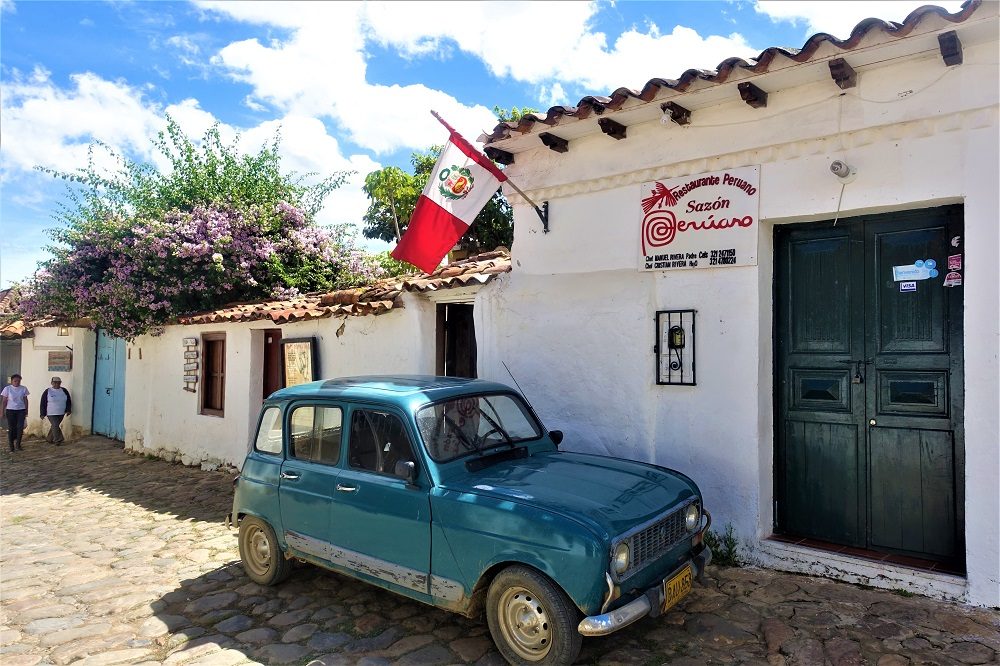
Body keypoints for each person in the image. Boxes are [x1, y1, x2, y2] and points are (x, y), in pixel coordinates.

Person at [40, 376, 72, 446]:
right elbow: (43, 402)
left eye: (58, 383)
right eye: (55, 383)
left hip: (61, 412)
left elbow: (68, 401)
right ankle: (57, 440)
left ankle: (49, 438)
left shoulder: (64, 390)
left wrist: (68, 410)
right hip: (51, 412)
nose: (57, 384)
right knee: (55, 425)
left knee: (55, 426)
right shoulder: (48, 391)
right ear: (52, 383)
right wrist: (42, 413)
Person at [1, 374, 29, 452]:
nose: (17, 382)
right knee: (11, 428)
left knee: (20, 428)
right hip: (10, 410)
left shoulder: (23, 389)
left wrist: (26, 410)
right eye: (15, 381)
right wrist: (2, 412)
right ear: (12, 381)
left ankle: (18, 445)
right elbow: (4, 401)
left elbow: (25, 400)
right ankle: (11, 446)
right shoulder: (7, 389)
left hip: (21, 410)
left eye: (18, 381)